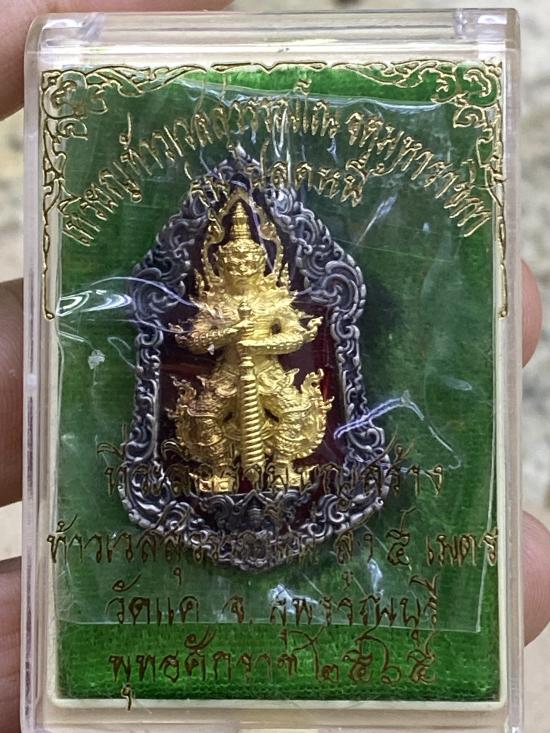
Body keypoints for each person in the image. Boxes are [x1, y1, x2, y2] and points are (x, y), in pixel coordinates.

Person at [0, 2, 548, 732]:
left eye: (246, 254)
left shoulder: (280, 296)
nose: (237, 258)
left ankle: (289, 473)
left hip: (276, 396)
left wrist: (261, 332)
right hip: (225, 400)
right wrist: (230, 333)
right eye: (229, 255)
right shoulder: (208, 299)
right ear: (216, 262)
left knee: (296, 421)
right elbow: (195, 337)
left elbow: (300, 327)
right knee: (204, 428)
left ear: (265, 260)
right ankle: (223, 482)